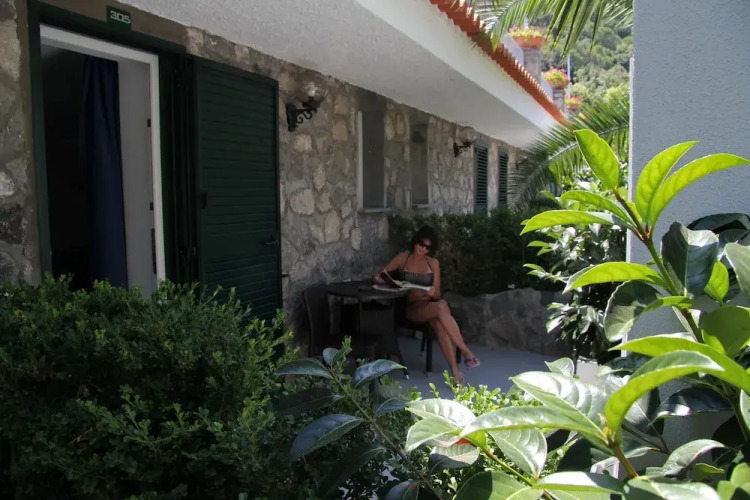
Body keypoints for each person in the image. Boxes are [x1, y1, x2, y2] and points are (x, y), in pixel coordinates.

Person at [373, 226, 479, 382]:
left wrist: (430, 293)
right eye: (421, 244)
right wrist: (379, 278)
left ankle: (456, 373)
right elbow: (380, 273)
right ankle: (466, 353)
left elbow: (437, 293)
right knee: (441, 306)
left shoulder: (433, 263)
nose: (423, 249)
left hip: (429, 305)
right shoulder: (403, 258)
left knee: (440, 318)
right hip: (411, 308)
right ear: (416, 241)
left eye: (428, 247)